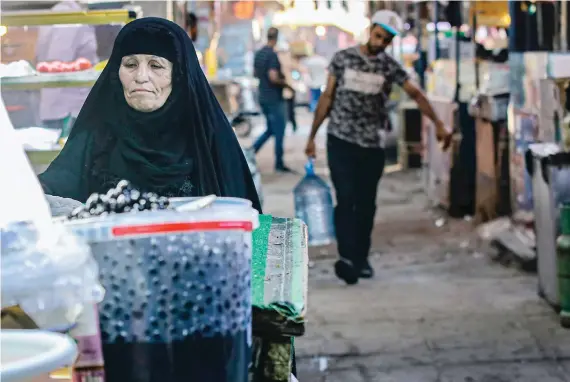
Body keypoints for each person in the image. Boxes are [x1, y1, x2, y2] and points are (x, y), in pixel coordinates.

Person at [38, 17, 262, 213]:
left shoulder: (207, 136)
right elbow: (56, 182)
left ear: (179, 76)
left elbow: (240, 218)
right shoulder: (97, 136)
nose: (141, 77)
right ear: (116, 72)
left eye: (156, 65)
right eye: (130, 64)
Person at [304, 10, 452, 285]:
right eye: (379, 35)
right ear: (370, 30)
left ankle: (361, 259)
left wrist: (439, 124)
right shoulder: (343, 59)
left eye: (387, 39)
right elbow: (327, 97)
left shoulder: (389, 67)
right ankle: (347, 257)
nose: (381, 42)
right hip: (340, 141)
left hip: (372, 146)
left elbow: (416, 94)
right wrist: (312, 137)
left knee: (366, 204)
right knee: (345, 199)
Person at [36, 0, 98, 133]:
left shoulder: (66, 13)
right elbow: (58, 63)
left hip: (66, 108)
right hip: (66, 111)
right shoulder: (68, 15)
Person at [251, 27, 292, 173]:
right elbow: (273, 76)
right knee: (279, 130)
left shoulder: (259, 54)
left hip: (262, 96)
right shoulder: (272, 55)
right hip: (274, 98)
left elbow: (255, 74)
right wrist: (287, 84)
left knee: (270, 129)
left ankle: (250, 152)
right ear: (276, 38)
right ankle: (279, 164)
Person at [277, 48, 298, 133]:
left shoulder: (281, 60)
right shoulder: (282, 60)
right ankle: (292, 125)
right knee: (289, 110)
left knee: (288, 110)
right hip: (285, 88)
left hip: (286, 89)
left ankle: (292, 125)